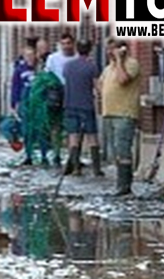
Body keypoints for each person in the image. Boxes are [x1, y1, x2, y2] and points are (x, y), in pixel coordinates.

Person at [99, 37, 142, 195]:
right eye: (108, 49)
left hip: (124, 114)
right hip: (109, 113)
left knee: (123, 149)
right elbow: (101, 85)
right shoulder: (108, 68)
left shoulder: (131, 64)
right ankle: (119, 183)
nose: (109, 52)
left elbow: (123, 80)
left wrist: (119, 60)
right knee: (115, 151)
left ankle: (125, 186)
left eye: (113, 49)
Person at [61, 40, 102, 176]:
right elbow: (98, 88)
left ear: (77, 50)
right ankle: (96, 169)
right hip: (86, 105)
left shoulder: (68, 66)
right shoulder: (92, 67)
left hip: (70, 104)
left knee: (73, 136)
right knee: (92, 137)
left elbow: (66, 79)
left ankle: (76, 167)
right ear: (90, 50)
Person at [10, 39, 39, 164]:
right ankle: (28, 154)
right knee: (26, 129)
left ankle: (42, 153)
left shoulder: (41, 68)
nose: (30, 58)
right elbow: (15, 87)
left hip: (39, 103)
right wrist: (14, 103)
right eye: (27, 56)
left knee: (39, 129)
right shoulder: (20, 70)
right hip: (25, 102)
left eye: (32, 55)